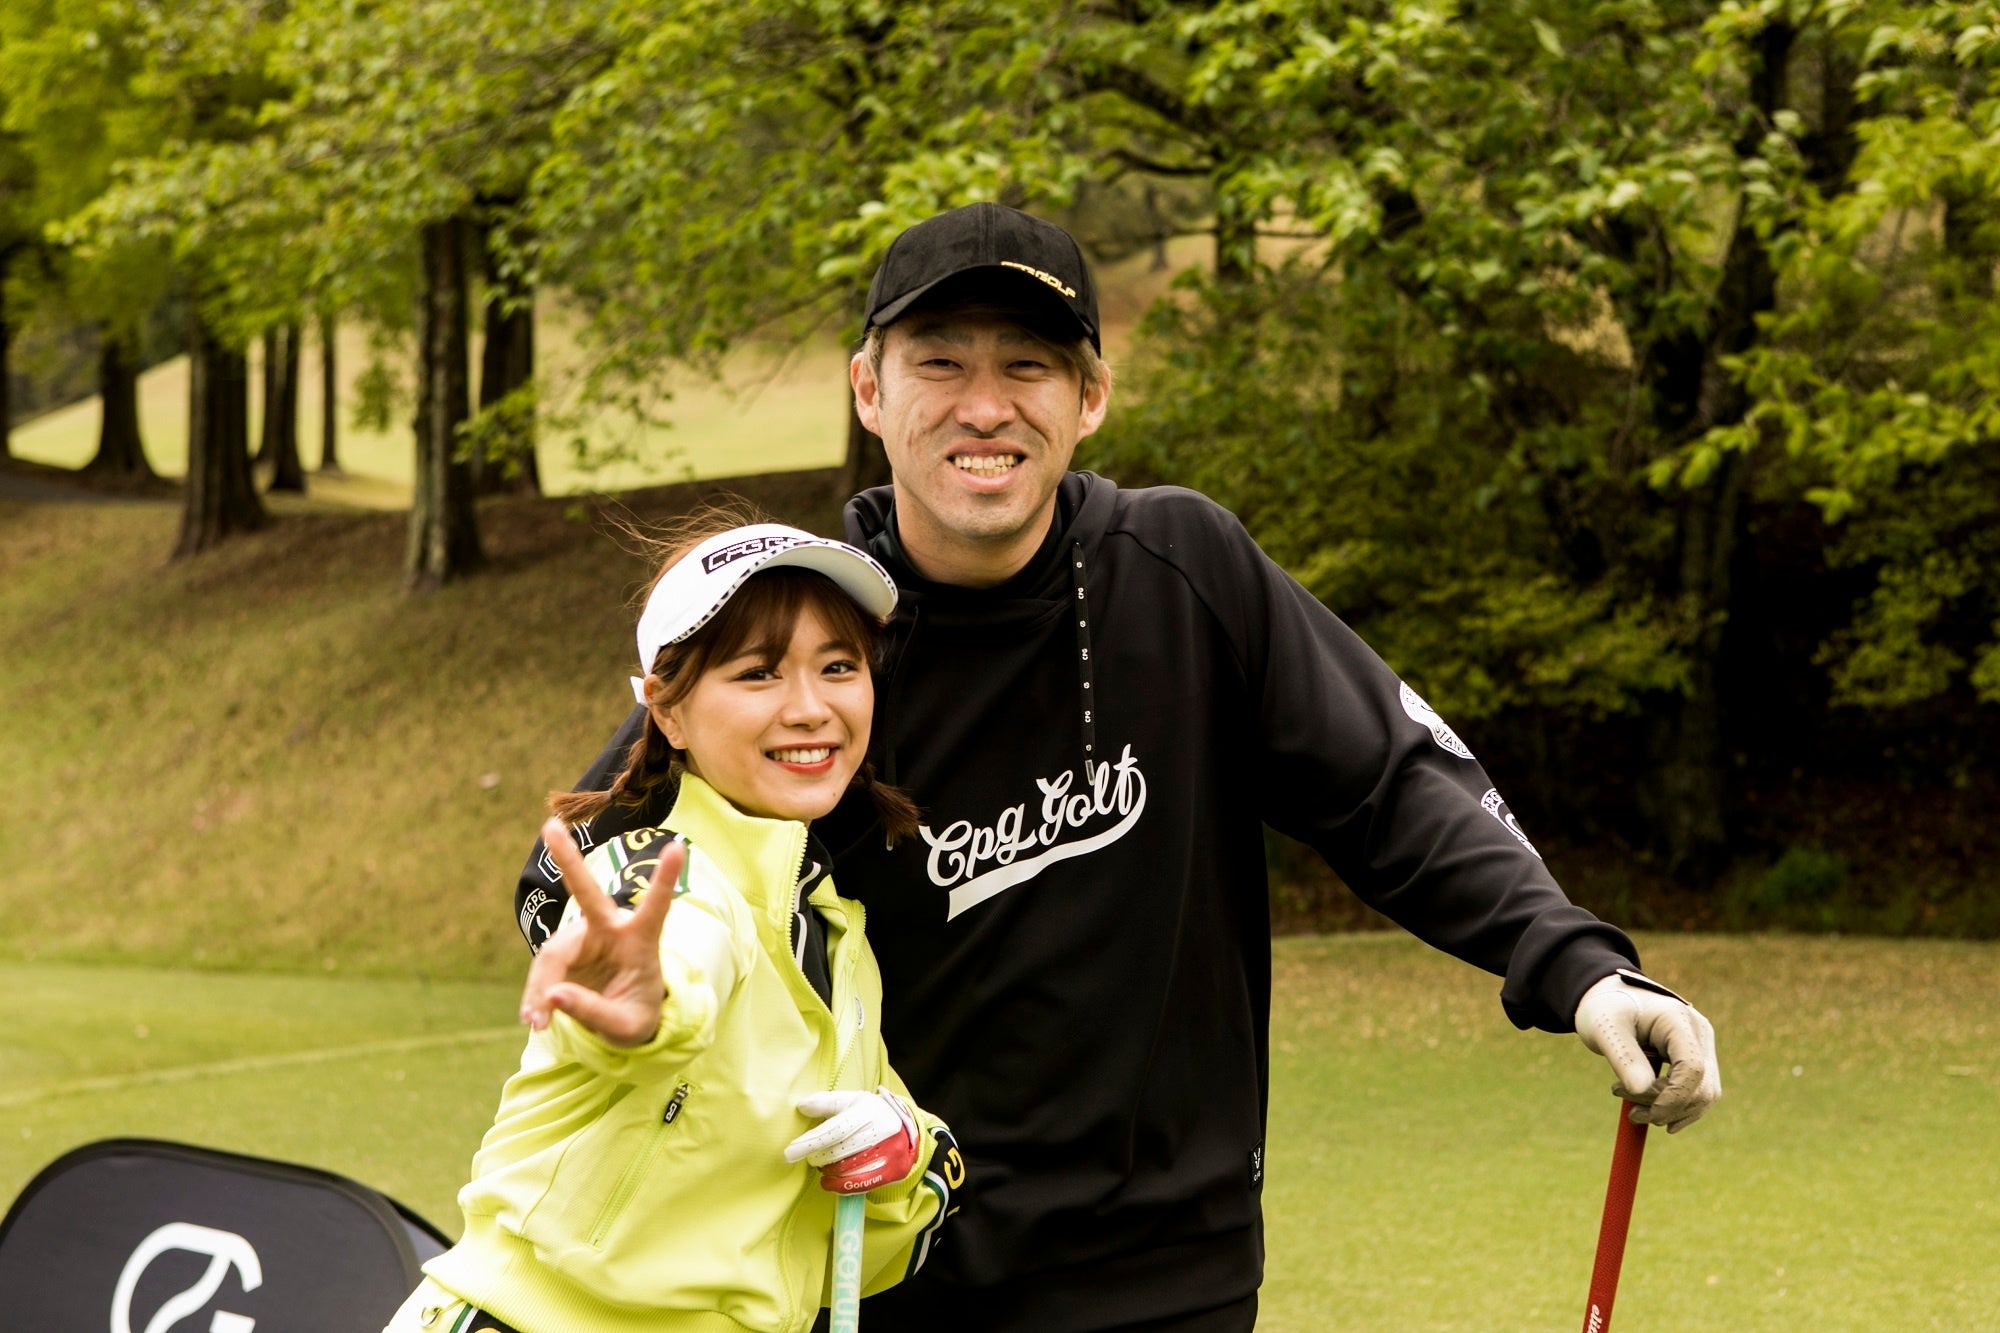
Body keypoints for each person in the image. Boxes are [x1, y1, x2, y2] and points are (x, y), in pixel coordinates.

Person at [517, 204, 1722, 1332]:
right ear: (868, 391)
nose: (982, 405)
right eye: (939, 361)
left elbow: (1394, 782)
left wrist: (1576, 967)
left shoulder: (1183, 569)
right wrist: (622, 954)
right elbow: (600, 866)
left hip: (1171, 1275)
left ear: (1089, 396)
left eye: (1027, 365)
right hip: (897, 1267)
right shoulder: (811, 638)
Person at [394, 515, 963, 1333]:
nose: (810, 707)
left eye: (839, 666)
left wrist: (904, 1150)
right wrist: (647, 1001)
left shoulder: (840, 943)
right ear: (666, 712)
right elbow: (678, 958)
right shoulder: (662, 870)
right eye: (758, 673)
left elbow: (858, 1252)